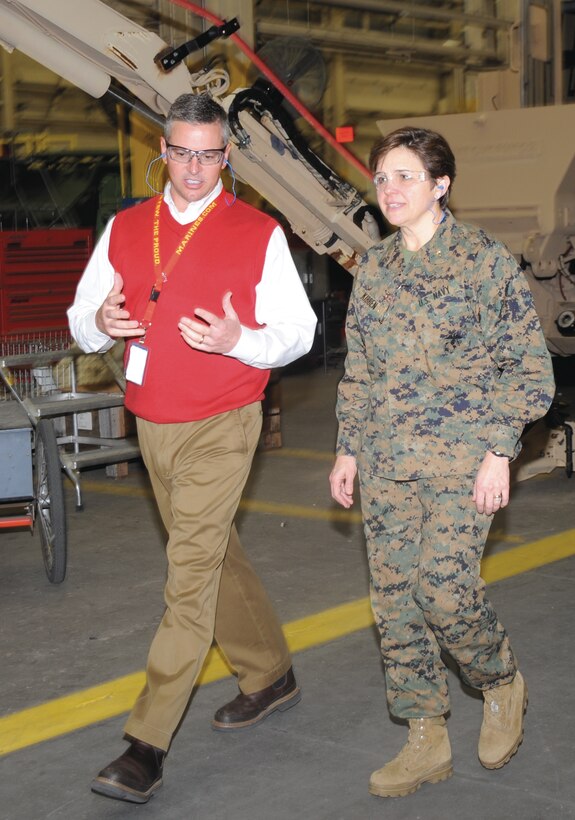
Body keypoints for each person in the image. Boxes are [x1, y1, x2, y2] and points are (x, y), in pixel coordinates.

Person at [68, 92, 317, 804]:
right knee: (210, 554)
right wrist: (102, 321)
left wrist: (241, 340)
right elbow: (82, 315)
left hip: (222, 419)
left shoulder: (257, 232)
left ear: (226, 156)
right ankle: (270, 674)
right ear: (164, 151)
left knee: (186, 576)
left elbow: (298, 332)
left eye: (209, 154)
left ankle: (144, 744)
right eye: (182, 152)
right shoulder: (125, 227)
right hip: (153, 419)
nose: (195, 168)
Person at [329, 126, 555, 799]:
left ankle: (498, 680)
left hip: (463, 464)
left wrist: (497, 453)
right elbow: (360, 370)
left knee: (443, 590)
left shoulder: (482, 262)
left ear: (440, 184)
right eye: (381, 179)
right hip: (388, 460)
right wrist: (346, 447)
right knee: (395, 603)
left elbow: (528, 368)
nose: (390, 190)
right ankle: (424, 737)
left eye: (404, 176)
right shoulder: (373, 269)